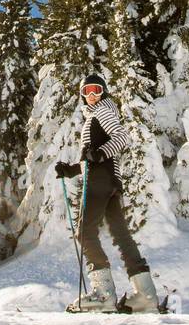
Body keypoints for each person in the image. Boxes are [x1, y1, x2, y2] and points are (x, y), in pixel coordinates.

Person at [55, 73, 160, 312]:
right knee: (120, 235)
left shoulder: (102, 112)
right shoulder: (94, 116)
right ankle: (145, 295)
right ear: (82, 96)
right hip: (110, 181)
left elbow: (121, 138)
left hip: (101, 180)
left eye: (96, 90)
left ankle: (103, 294)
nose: (92, 96)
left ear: (104, 92)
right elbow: (89, 159)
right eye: (87, 92)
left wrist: (99, 154)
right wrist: (70, 170)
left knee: (84, 232)